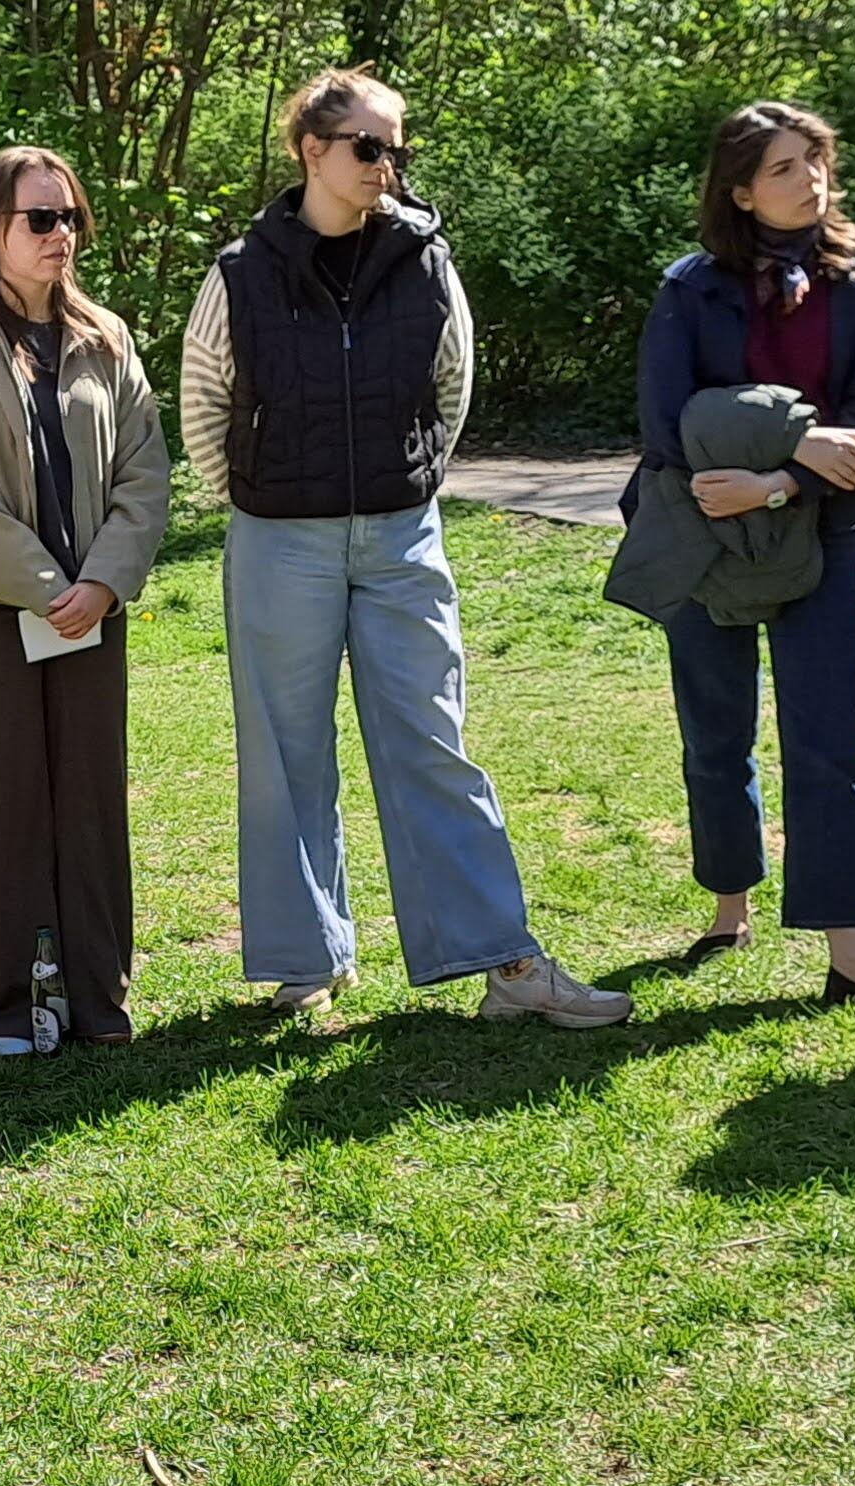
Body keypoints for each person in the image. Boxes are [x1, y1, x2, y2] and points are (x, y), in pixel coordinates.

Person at [180, 67, 627, 1031]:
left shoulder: (426, 258)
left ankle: (505, 962)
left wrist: (403, 484)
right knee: (285, 755)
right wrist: (262, 500)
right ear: (313, 151)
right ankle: (307, 958)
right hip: (278, 542)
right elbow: (204, 401)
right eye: (369, 146)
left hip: (400, 538)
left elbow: (451, 385)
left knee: (433, 743)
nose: (388, 163)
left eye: (397, 146)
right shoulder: (241, 271)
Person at [624, 102, 855, 1015]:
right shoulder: (690, 287)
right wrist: (796, 442)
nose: (809, 178)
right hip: (705, 526)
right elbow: (668, 421)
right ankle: (729, 906)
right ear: (740, 191)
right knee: (715, 730)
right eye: (782, 167)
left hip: (829, 528)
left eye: (815, 160)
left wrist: (780, 480)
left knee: (832, 737)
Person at [0, 145, 172, 1053]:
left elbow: (144, 472)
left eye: (71, 218)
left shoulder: (108, 337)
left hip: (93, 611)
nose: (63, 235)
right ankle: (3, 1004)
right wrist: (49, 588)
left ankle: (97, 993)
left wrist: (102, 584)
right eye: (41, 219)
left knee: (91, 802)